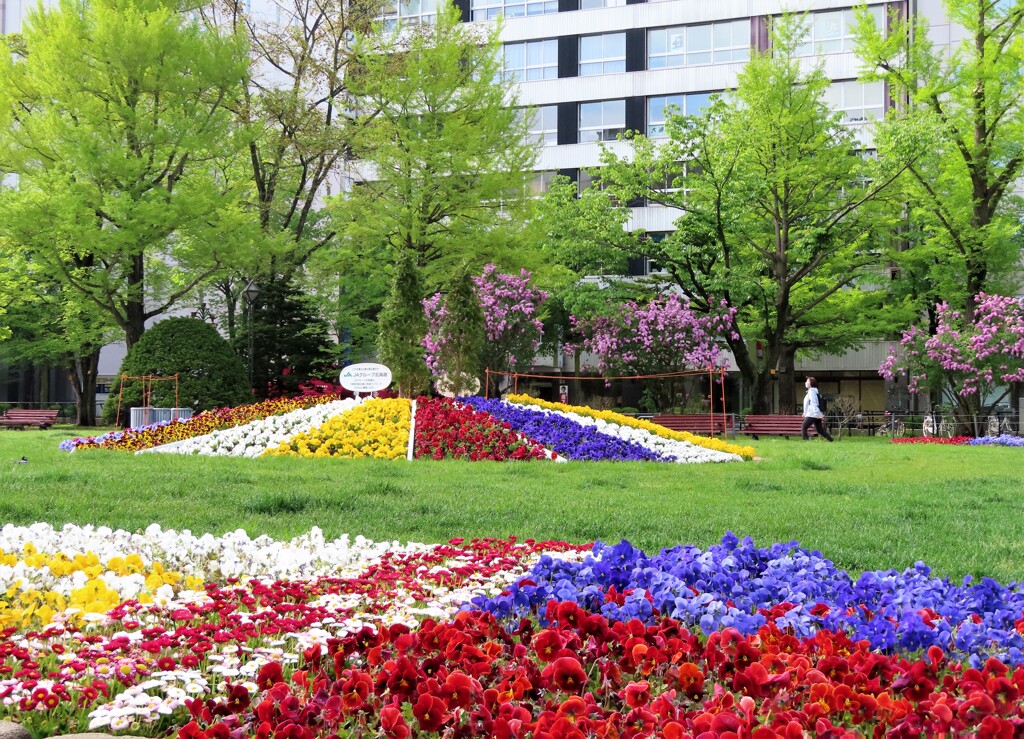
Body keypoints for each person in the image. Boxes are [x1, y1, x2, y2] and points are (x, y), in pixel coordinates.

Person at [802, 376, 834, 442]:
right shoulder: (814, 391)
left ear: (811, 383)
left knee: (804, 427)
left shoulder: (811, 392)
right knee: (819, 430)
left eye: (808, 381)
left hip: (813, 413)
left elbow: (813, 403)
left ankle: (806, 441)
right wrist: (805, 413)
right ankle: (831, 440)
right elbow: (808, 404)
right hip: (816, 413)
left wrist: (815, 413)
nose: (806, 383)